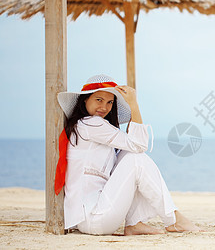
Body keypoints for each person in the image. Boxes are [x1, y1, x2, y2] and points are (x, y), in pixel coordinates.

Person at [55, 74, 201, 235]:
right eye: (99, 100)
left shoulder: (84, 125)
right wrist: (133, 104)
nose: (104, 106)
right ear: (84, 100)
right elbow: (140, 144)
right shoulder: (91, 123)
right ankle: (174, 219)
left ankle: (134, 223)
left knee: (130, 155)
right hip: (94, 218)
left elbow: (134, 145)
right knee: (137, 160)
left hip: (89, 217)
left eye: (109, 102)